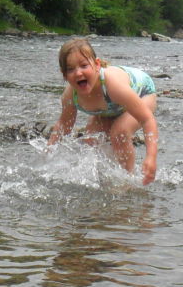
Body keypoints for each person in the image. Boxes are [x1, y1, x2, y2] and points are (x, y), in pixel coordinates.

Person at [48, 38, 158, 185]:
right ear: (64, 75)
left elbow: (147, 119)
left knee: (119, 132)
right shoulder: (70, 95)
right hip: (111, 107)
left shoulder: (113, 85)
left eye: (84, 65)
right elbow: (64, 125)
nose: (78, 73)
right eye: (71, 69)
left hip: (142, 93)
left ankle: (127, 181)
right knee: (90, 139)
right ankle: (105, 179)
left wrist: (151, 157)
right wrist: (49, 153)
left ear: (97, 65)